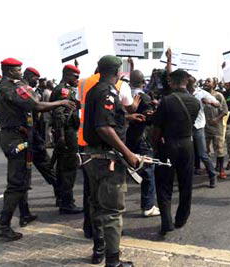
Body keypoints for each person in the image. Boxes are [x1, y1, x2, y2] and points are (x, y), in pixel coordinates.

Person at [0, 58, 75, 241]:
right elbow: (36, 104)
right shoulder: (11, 87)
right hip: (17, 138)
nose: (20, 73)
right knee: (17, 183)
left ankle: (23, 215)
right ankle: (3, 225)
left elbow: (34, 99)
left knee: (21, 180)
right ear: (8, 70)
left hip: (17, 136)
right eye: (17, 70)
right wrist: (60, 103)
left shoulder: (2, 87)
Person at [83, 55, 137, 267]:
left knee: (97, 205)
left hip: (93, 157)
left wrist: (127, 118)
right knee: (112, 211)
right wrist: (128, 153)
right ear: (118, 73)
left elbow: (105, 120)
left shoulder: (95, 89)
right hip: (106, 159)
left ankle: (100, 250)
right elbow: (103, 127)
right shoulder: (108, 92)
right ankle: (113, 262)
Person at [153, 69, 200, 235]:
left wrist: (155, 146)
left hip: (169, 145)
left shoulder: (166, 101)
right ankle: (181, 218)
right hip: (187, 145)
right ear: (186, 82)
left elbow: (157, 128)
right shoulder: (196, 102)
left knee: (164, 184)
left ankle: (167, 221)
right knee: (185, 184)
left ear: (172, 82)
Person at [22, 67, 60, 215]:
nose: (36, 82)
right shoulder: (25, 90)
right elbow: (37, 107)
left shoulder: (28, 90)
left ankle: (25, 212)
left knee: (25, 174)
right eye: (35, 79)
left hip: (31, 135)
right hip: (30, 136)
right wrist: (60, 103)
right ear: (29, 76)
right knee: (45, 167)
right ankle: (60, 197)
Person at [50, 64, 83, 214]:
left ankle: (61, 198)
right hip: (67, 133)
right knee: (69, 168)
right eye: (75, 76)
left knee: (62, 167)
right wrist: (62, 136)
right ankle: (67, 203)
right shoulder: (63, 91)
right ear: (68, 75)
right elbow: (59, 114)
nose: (77, 79)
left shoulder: (64, 89)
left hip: (64, 132)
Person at [127, 69, 160, 216]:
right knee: (148, 169)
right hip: (141, 137)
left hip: (124, 138)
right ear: (143, 82)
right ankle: (148, 206)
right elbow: (150, 119)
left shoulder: (124, 95)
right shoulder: (144, 97)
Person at [187, 75, 219, 188]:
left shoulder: (201, 93)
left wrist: (209, 102)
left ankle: (212, 175)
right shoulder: (183, 93)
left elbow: (218, 104)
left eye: (190, 84)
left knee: (202, 154)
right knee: (188, 154)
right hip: (186, 127)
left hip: (198, 127)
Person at [204, 77, 229, 178]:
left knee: (219, 148)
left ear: (214, 84)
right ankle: (210, 168)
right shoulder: (202, 95)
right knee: (205, 149)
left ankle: (221, 169)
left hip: (216, 126)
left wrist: (216, 119)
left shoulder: (219, 95)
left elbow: (225, 111)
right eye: (206, 81)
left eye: (208, 81)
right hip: (205, 127)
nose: (206, 83)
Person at [42, 80, 54, 147]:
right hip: (48, 113)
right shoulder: (47, 92)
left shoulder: (46, 91)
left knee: (48, 128)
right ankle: (48, 143)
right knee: (48, 129)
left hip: (47, 113)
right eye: (52, 84)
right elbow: (48, 104)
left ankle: (49, 142)